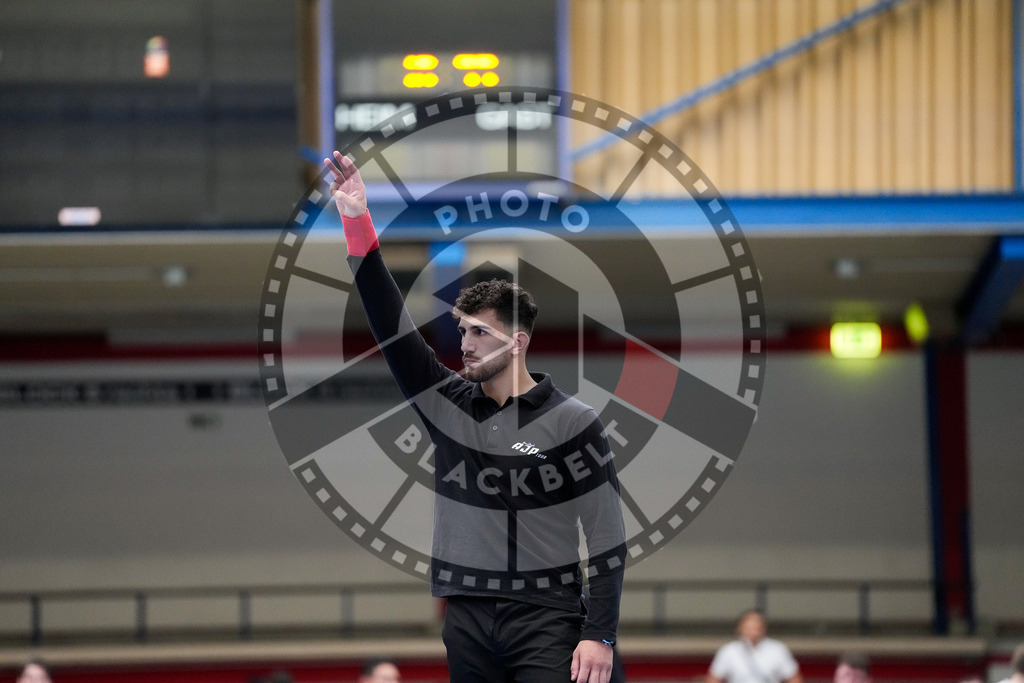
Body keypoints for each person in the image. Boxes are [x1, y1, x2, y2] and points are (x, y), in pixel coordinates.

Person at [324, 151, 626, 683]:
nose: (464, 344)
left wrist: (599, 633)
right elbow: (390, 326)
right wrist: (357, 222)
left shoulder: (573, 421)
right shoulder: (447, 404)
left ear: (518, 342)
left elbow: (605, 536)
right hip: (465, 615)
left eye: (478, 333)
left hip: (547, 617)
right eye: (461, 331)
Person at [707, 610, 802, 683]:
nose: (753, 630)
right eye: (749, 627)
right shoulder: (728, 650)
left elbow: (794, 678)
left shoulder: (778, 649)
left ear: (763, 628)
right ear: (740, 628)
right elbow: (714, 678)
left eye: (756, 626)